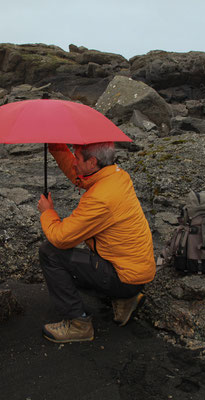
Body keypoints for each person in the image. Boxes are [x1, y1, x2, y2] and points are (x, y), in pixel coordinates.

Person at [37, 142, 155, 343]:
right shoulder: (116, 175)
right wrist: (56, 146)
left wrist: (48, 212)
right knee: (80, 249)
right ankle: (126, 299)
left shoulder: (101, 198)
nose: (74, 162)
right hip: (134, 272)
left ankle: (78, 324)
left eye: (78, 158)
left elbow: (61, 238)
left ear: (92, 162)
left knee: (50, 252)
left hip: (124, 278)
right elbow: (80, 177)